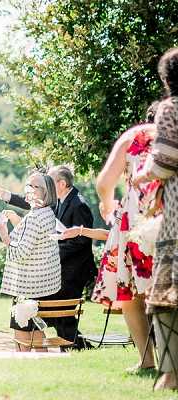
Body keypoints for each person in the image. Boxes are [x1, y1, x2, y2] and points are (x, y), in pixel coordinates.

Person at [0, 165, 96, 349]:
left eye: (49, 182)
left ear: (61, 184)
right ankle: (72, 347)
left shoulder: (78, 204)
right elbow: (30, 203)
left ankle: (73, 346)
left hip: (71, 271)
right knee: (46, 314)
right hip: (50, 271)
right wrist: (0, 192)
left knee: (52, 313)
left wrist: (44, 252)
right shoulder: (52, 203)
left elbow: (80, 243)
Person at [94, 101, 161, 373]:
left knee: (129, 290)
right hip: (168, 211)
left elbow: (104, 183)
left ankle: (147, 361)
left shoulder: (135, 136)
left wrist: (108, 206)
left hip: (135, 218)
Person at [133, 47, 178, 390]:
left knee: (166, 298)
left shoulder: (170, 108)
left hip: (176, 219)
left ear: (166, 80)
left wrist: (142, 175)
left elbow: (164, 160)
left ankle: (172, 374)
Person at [0, 172, 61, 351]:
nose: (29, 189)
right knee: (35, 331)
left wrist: (5, 237)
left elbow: (21, 252)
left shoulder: (34, 217)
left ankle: (25, 365)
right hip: (39, 285)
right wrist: (17, 221)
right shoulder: (45, 213)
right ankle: (37, 367)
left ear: (46, 193)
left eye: (35, 186)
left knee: (23, 334)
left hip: (28, 287)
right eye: (28, 185)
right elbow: (32, 241)